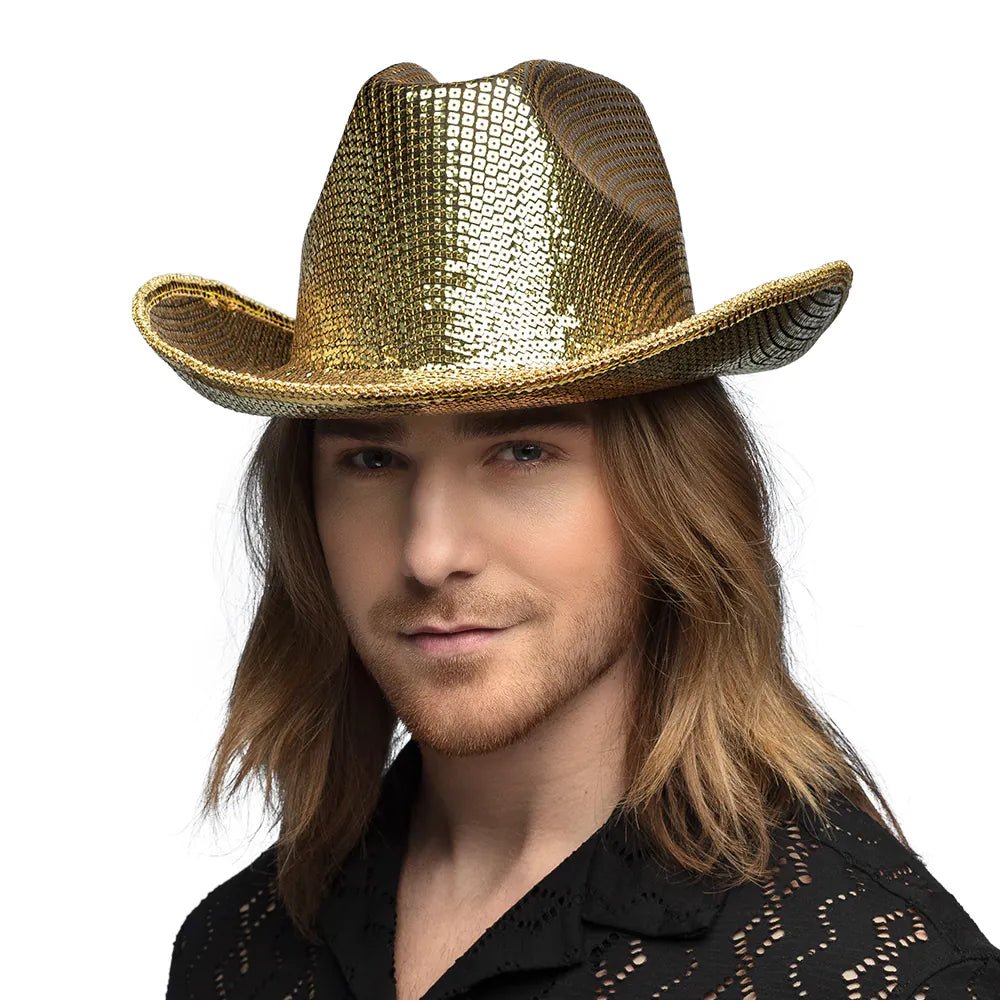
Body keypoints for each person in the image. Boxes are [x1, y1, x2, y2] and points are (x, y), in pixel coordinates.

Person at [133, 60, 1000, 1000]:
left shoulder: (877, 972)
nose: (431, 553)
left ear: (670, 493)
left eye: (522, 452)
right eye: (373, 460)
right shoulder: (239, 947)